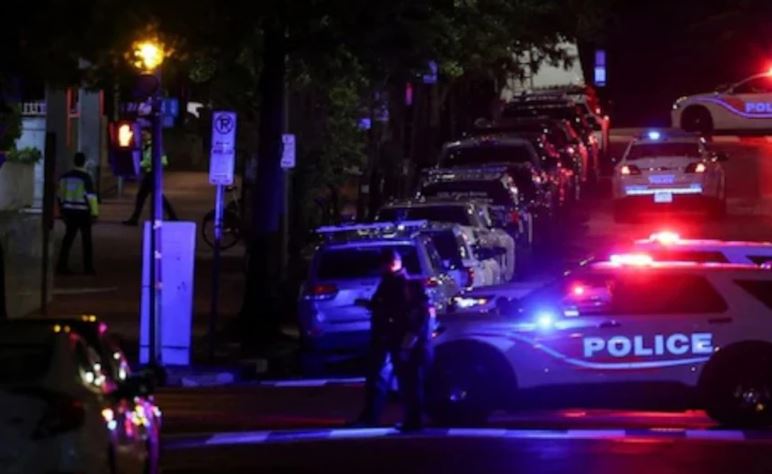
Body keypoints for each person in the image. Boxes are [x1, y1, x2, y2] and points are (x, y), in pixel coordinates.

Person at [353, 248, 432, 431]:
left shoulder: (406, 285)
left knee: (408, 381)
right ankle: (372, 416)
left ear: (392, 264)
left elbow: (417, 317)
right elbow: (385, 307)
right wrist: (370, 306)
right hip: (388, 337)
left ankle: (413, 421)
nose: (381, 269)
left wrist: (407, 343)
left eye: (384, 265)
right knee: (382, 378)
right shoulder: (390, 283)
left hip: (400, 339)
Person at [122, 130, 178, 225]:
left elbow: (160, 161)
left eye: (145, 134)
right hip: (151, 174)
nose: (143, 136)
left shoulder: (153, 146)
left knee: (144, 196)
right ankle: (172, 216)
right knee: (152, 196)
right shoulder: (147, 146)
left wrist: (139, 164)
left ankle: (134, 219)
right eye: (142, 134)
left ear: (150, 135)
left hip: (152, 174)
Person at [56, 152, 98, 275]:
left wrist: (62, 210)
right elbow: (91, 197)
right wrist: (94, 212)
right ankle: (88, 268)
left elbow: (59, 195)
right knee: (86, 240)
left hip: (69, 211)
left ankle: (62, 265)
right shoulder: (86, 177)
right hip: (83, 211)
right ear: (84, 162)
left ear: (74, 161)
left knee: (68, 239)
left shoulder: (65, 177)